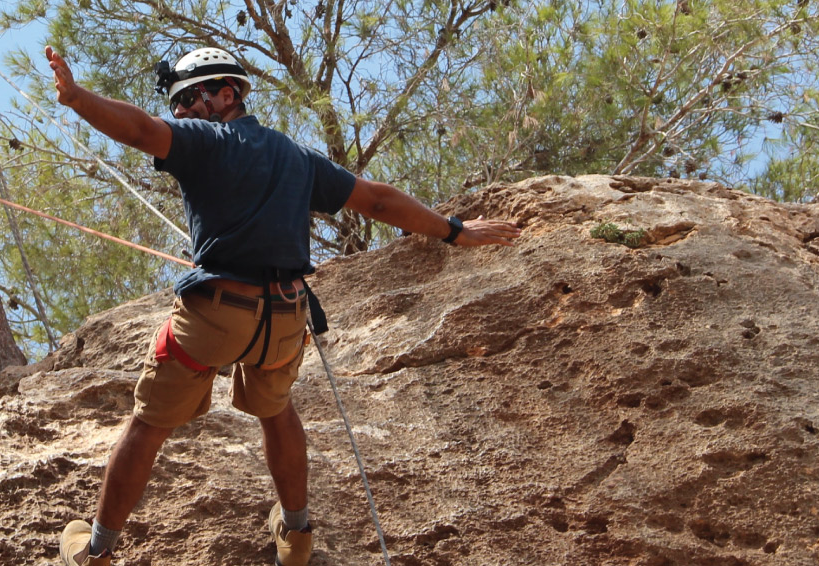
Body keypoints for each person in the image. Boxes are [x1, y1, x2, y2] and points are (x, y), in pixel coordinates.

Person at [45, 46, 523, 566]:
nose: (179, 111)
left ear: (227, 94)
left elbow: (139, 130)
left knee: (148, 423)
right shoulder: (297, 158)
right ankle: (296, 539)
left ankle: (96, 550)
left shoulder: (206, 141)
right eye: (176, 102)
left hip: (214, 315)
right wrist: (455, 231)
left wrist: (76, 98)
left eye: (188, 98)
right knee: (275, 412)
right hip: (283, 319)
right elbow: (378, 201)